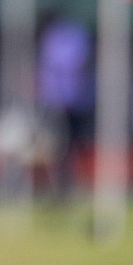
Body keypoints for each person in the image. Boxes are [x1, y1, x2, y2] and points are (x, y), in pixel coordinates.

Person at [36, 15, 93, 200]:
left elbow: (77, 63)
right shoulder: (51, 37)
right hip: (53, 101)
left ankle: (67, 184)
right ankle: (55, 184)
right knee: (54, 145)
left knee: (69, 146)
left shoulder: (75, 36)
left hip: (72, 100)